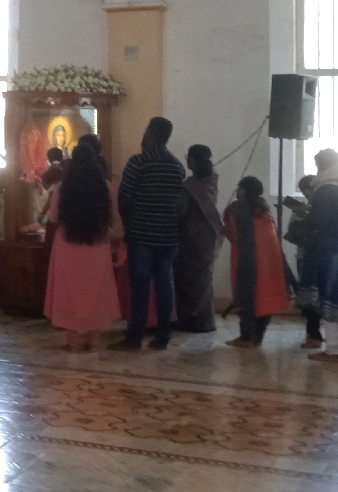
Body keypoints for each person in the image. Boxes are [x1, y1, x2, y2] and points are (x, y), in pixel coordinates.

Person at [112, 117, 186, 351]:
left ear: (151, 133)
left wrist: (129, 223)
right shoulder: (177, 166)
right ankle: (163, 337)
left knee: (140, 288)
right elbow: (179, 204)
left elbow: (124, 198)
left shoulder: (138, 162)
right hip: (169, 236)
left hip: (141, 235)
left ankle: (134, 338)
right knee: (165, 286)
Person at [44, 144, 123, 352]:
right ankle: (94, 339)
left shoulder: (62, 187)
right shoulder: (105, 187)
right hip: (97, 245)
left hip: (67, 246)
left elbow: (53, 218)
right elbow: (115, 218)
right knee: (96, 291)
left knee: (68, 292)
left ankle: (72, 340)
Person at [294, 149, 338, 362]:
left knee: (328, 295)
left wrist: (305, 217)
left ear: (324, 166)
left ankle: (333, 349)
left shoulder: (326, 189)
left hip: (327, 247)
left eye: (318, 165)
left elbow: (320, 221)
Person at [221, 176, 291, 347]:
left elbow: (235, 237)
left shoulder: (236, 208)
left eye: (239, 188)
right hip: (270, 258)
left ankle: (247, 337)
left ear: (243, 190)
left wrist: (222, 229)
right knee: (264, 296)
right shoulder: (264, 207)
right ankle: (258, 336)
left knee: (247, 294)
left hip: (247, 258)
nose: (237, 191)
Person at [173, 145, 221, 333]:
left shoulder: (191, 186)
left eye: (188, 157)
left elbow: (180, 210)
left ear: (193, 160)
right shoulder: (211, 180)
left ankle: (194, 321)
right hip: (207, 237)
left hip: (191, 237)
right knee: (203, 280)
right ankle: (203, 320)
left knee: (190, 281)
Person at [284, 175, 326, 348]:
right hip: (304, 255)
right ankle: (313, 333)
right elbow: (293, 233)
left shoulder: (325, 207)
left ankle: (316, 334)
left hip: (320, 256)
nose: (307, 193)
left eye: (309, 189)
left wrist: (307, 216)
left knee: (317, 296)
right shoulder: (302, 208)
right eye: (304, 190)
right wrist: (300, 215)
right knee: (308, 296)